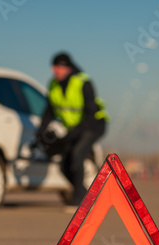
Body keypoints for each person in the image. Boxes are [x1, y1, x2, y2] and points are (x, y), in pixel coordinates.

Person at [35, 52, 110, 208]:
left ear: (68, 68)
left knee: (77, 154)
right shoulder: (53, 85)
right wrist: (40, 132)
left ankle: (78, 201)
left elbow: (90, 113)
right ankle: (85, 194)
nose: (57, 71)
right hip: (74, 129)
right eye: (55, 67)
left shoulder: (83, 82)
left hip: (94, 125)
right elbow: (49, 111)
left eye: (60, 67)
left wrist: (72, 134)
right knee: (64, 164)